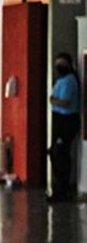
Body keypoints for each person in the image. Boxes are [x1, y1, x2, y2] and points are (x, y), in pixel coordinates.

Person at [48, 52, 80, 203]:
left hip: (67, 121)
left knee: (60, 154)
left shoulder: (69, 81)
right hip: (59, 120)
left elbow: (65, 102)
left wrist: (53, 100)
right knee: (55, 153)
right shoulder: (61, 80)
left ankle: (63, 190)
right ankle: (59, 188)